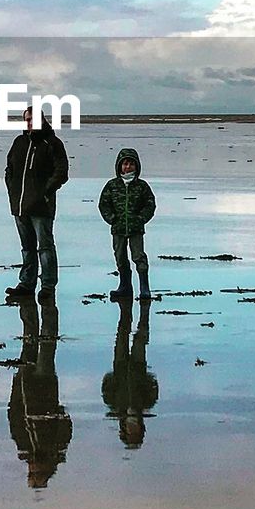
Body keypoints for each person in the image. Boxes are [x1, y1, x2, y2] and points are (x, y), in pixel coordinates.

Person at [4, 106, 69, 300]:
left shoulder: (53, 143)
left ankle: (48, 286)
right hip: (20, 205)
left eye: (33, 119)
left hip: (41, 205)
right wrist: (12, 191)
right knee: (27, 247)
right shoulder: (20, 142)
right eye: (27, 119)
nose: (30, 123)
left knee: (45, 247)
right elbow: (10, 169)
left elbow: (61, 172)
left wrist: (45, 192)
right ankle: (26, 283)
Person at [7, 294, 72, 487]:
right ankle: (42, 309)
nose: (31, 467)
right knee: (41, 345)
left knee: (35, 344)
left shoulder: (25, 448)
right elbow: (66, 426)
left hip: (32, 387)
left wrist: (15, 389)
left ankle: (40, 309)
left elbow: (14, 417)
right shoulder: (56, 449)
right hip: (44, 388)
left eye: (31, 472)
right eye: (34, 472)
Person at [98, 146, 155, 300]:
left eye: (131, 164)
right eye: (125, 164)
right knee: (120, 257)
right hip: (118, 228)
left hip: (136, 228)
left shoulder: (142, 186)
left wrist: (141, 218)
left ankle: (144, 287)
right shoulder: (112, 185)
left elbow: (150, 205)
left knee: (139, 257)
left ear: (136, 166)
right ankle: (125, 286)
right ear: (119, 166)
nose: (127, 167)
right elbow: (103, 204)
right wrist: (111, 219)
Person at [102, 296, 159, 449]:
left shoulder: (115, 406)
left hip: (123, 368)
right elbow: (153, 387)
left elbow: (106, 389)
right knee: (138, 338)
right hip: (135, 368)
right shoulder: (146, 405)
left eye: (131, 432)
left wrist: (110, 378)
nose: (133, 429)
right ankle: (137, 314)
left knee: (122, 335)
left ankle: (129, 313)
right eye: (134, 432)